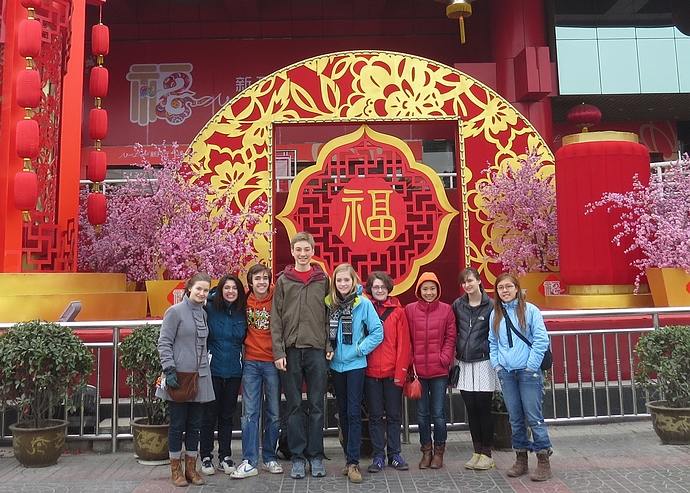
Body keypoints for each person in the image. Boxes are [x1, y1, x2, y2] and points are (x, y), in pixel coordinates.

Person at [271, 231, 331, 479]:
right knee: (294, 406)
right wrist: (278, 351)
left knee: (317, 405)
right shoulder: (284, 281)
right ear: (292, 252)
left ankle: (315, 456)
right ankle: (297, 457)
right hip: (291, 351)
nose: (303, 254)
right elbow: (276, 318)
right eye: (299, 250)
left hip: (317, 350)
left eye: (307, 249)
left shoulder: (323, 279)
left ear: (313, 251)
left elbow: (329, 315)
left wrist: (329, 344)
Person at [488, 272, 553, 481]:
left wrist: (531, 365)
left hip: (528, 372)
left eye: (508, 286)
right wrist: (498, 365)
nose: (505, 291)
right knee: (515, 418)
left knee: (534, 417)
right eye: (501, 288)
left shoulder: (530, 310)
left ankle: (543, 458)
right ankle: (521, 458)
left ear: (516, 288)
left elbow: (541, 339)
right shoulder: (495, 314)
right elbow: (493, 342)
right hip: (507, 373)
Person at [157, 272, 216, 487]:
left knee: (195, 425)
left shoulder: (204, 313)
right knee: (177, 425)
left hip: (200, 377)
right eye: (198, 288)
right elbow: (164, 342)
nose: (202, 293)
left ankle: (191, 468)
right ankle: (175, 470)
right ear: (189, 288)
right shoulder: (174, 312)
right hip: (180, 376)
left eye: (206, 290)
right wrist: (169, 369)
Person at [327, 264, 383, 483]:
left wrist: (360, 349)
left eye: (346, 280)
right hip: (336, 366)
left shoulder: (363, 303)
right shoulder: (329, 303)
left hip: (356, 365)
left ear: (354, 281)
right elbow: (325, 331)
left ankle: (353, 463)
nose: (343, 284)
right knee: (342, 413)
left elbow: (377, 332)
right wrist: (328, 349)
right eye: (339, 280)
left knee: (353, 413)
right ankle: (347, 458)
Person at [231, 264, 283, 479]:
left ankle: (270, 457)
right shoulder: (243, 300)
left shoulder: (277, 297)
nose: (261, 282)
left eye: (265, 278)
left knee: (274, 412)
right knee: (250, 413)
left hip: (273, 361)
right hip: (251, 362)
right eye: (257, 278)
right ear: (250, 282)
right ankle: (249, 460)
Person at [405, 271, 456, 469]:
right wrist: (410, 361)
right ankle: (426, 451)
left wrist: (444, 358)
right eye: (425, 289)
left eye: (432, 288)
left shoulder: (446, 310)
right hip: (418, 372)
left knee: (438, 414)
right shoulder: (410, 310)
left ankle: (439, 452)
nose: (429, 292)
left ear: (438, 290)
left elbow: (450, 337)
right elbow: (407, 338)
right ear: (419, 290)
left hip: (439, 371)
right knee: (422, 414)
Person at [363, 271, 411, 473]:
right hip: (370, 372)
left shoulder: (398, 312)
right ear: (370, 289)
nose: (380, 290)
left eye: (383, 287)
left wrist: (401, 372)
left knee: (393, 415)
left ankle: (394, 454)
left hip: (392, 372)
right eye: (376, 287)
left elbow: (404, 344)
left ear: (388, 288)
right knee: (374, 416)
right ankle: (378, 456)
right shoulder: (365, 308)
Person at [199, 274, 246, 476]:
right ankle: (206, 456)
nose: (230, 292)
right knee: (209, 415)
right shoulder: (209, 308)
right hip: (213, 370)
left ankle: (225, 455)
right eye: (227, 288)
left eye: (234, 288)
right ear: (220, 290)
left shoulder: (242, 311)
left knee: (227, 415)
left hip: (234, 370)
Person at [452, 267, 496, 470]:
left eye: (470, 280)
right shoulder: (458, 305)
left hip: (484, 361)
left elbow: (496, 332)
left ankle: (487, 453)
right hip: (463, 362)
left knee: (483, 407)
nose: (467, 285)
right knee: (470, 408)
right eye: (464, 282)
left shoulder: (491, 305)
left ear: (479, 281)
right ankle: (476, 451)